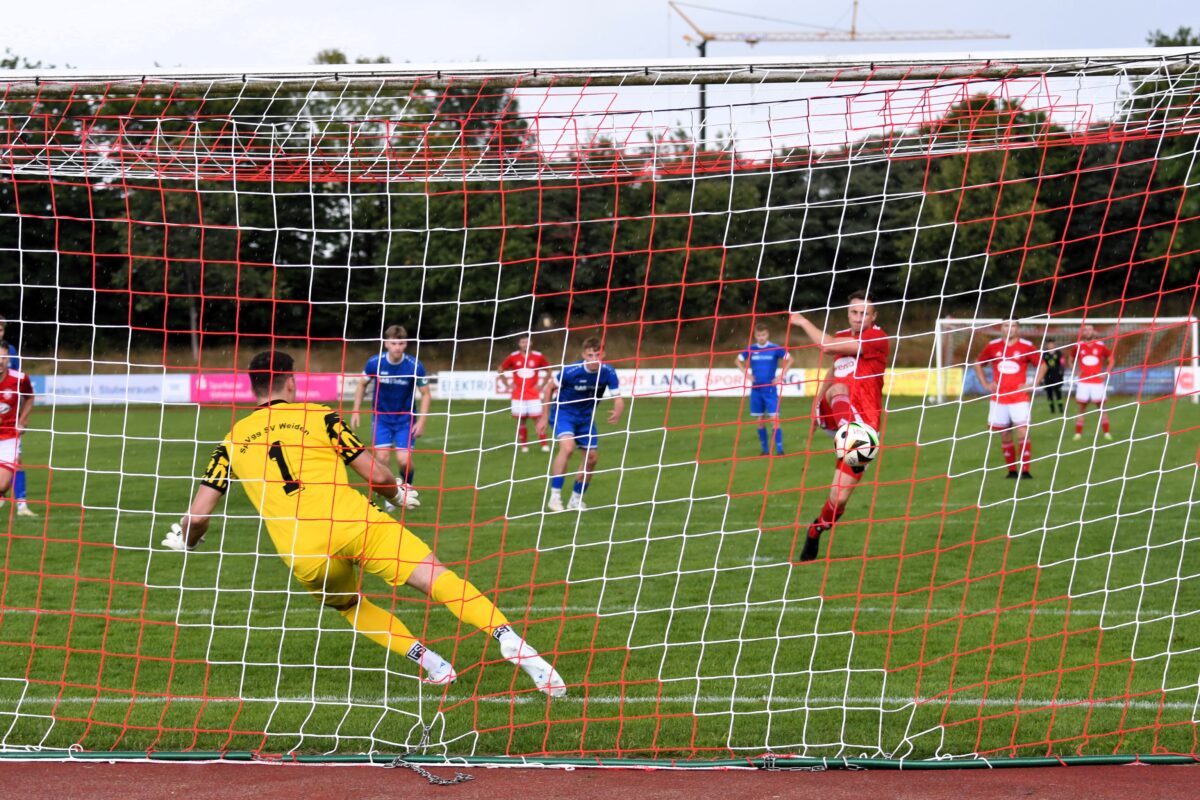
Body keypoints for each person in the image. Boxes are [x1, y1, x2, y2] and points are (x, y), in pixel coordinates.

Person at [161, 351, 565, 696]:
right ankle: (508, 639)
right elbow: (379, 475)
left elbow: (197, 515)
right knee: (435, 578)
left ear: (253, 388)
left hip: (304, 552)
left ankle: (433, 664)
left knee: (351, 605)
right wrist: (395, 495)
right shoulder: (320, 418)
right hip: (355, 522)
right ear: (290, 382)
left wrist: (188, 541)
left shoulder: (232, 440)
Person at [788, 292, 889, 562]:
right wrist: (815, 405)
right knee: (839, 386)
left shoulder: (877, 338)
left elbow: (829, 346)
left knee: (839, 498)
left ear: (873, 316)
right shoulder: (842, 334)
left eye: (864, 313)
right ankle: (846, 428)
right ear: (848, 313)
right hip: (839, 415)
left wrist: (802, 322)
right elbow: (834, 374)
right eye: (854, 312)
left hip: (866, 426)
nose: (859, 318)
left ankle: (816, 529)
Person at [536, 337, 624, 512]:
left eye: (597, 355)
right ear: (584, 354)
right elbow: (548, 389)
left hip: (585, 418)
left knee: (592, 458)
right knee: (567, 448)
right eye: (590, 355)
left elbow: (618, 397)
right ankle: (555, 497)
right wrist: (544, 417)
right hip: (563, 414)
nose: (593, 359)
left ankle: (575, 500)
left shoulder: (608, 372)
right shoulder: (571, 371)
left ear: (603, 354)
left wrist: (618, 410)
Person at [351, 325, 431, 510]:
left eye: (401, 343)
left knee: (404, 461)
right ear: (386, 343)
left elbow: (426, 394)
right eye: (393, 343)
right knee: (382, 458)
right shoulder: (375, 363)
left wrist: (422, 421)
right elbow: (361, 385)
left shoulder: (414, 365)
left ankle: (406, 486)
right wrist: (356, 410)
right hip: (382, 419)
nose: (397, 347)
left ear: (406, 344)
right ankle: (390, 493)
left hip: (405, 419)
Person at [973, 320, 1047, 480]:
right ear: (1001, 328)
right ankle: (1012, 471)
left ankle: (1025, 470)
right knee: (1005, 434)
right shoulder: (992, 346)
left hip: (1019, 397)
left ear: (1018, 328)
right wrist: (985, 383)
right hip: (999, 398)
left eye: (1013, 326)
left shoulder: (1027, 346)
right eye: (1006, 325)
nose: (1010, 328)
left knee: (1022, 431)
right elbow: (978, 363)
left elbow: (1042, 365)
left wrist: (1033, 383)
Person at [736, 322, 793, 456]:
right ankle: (765, 450)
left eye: (763, 335)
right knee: (760, 421)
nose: (761, 337)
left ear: (767, 334)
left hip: (770, 390)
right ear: (755, 336)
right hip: (756, 390)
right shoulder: (751, 349)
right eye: (758, 335)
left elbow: (790, 359)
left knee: (774, 420)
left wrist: (781, 375)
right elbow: (737, 360)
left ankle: (779, 450)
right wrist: (745, 373)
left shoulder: (775, 348)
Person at [0, 316, 33, 516]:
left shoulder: (10, 350)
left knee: (17, 460)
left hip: (9, 419)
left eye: (1, 329)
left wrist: (21, 417)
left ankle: (21, 504)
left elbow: (20, 386)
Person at [498, 335, 551, 453]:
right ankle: (524, 446)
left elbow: (548, 370)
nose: (525, 344)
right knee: (521, 420)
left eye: (527, 342)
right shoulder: (513, 357)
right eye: (523, 342)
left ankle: (544, 444)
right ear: (519, 344)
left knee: (538, 419)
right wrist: (507, 385)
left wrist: (542, 385)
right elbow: (500, 369)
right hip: (518, 394)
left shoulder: (538, 356)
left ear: (531, 343)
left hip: (533, 394)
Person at [1067, 324, 1115, 441]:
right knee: (1081, 408)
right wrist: (1075, 371)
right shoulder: (1078, 346)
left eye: (1090, 329)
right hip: (1083, 382)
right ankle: (1078, 433)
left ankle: (1106, 433)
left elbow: (1111, 359)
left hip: (1097, 382)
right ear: (1083, 332)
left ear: (1093, 331)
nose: (1088, 332)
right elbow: (1070, 359)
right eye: (1086, 330)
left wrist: (1106, 372)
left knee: (1102, 408)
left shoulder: (1100, 345)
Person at [1041, 344, 1067, 415]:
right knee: (1049, 393)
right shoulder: (1044, 354)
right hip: (1047, 377)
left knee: (1058, 392)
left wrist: (1061, 373)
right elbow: (1042, 364)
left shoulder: (1058, 353)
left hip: (1057, 376)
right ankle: (1052, 409)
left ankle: (1061, 408)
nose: (1050, 345)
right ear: (1047, 345)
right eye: (1049, 344)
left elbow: (1062, 363)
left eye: (1052, 344)